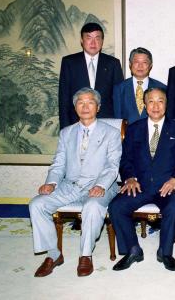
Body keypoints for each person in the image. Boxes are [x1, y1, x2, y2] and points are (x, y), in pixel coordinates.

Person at [29, 88, 122, 277]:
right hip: (70, 185)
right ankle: (53, 254)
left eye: (90, 102)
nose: (85, 106)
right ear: (75, 107)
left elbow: (113, 166)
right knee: (37, 204)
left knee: (93, 207)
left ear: (98, 107)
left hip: (101, 185)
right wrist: (51, 183)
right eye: (80, 102)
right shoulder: (66, 133)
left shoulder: (111, 133)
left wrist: (101, 185)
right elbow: (59, 163)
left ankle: (85, 255)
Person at [109, 87, 175, 272]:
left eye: (160, 101)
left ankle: (165, 252)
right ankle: (133, 250)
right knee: (116, 207)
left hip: (168, 186)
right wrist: (129, 178)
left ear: (166, 104)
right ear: (145, 104)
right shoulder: (134, 128)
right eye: (151, 101)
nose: (155, 105)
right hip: (140, 185)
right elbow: (125, 159)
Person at [59, 22, 124, 129]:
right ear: (82, 40)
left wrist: (118, 127)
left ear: (102, 41)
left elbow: (119, 99)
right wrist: (65, 128)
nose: (93, 42)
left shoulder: (113, 63)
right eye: (89, 38)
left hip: (106, 124)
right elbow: (64, 99)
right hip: (76, 123)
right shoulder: (69, 62)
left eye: (97, 38)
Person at [113, 47, 166, 124]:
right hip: (128, 134)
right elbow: (117, 119)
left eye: (144, 62)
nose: (140, 66)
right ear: (130, 64)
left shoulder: (162, 88)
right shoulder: (119, 88)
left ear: (150, 65)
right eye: (136, 62)